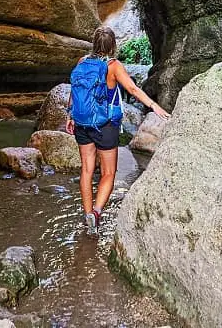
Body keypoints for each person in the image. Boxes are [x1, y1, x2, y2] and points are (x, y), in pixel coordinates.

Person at [66, 26, 170, 234]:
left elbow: (75, 90)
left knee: (86, 170)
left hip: (82, 124)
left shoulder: (82, 62)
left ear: (94, 44)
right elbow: (132, 88)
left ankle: (87, 216)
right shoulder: (113, 66)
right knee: (108, 173)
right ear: (113, 45)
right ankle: (96, 213)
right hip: (105, 126)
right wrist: (153, 106)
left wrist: (70, 115)